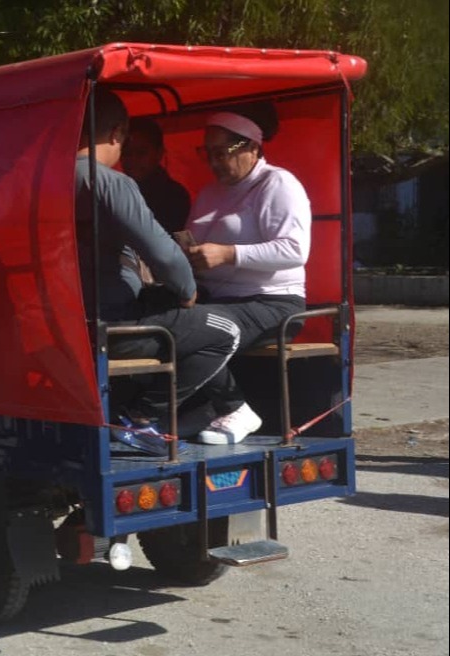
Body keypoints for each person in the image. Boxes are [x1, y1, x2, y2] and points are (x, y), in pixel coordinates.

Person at [75, 88, 243, 439]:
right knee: (226, 330)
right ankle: (142, 419)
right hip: (113, 324)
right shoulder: (110, 182)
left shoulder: (41, 180)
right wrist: (187, 290)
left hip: (65, 324)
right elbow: (164, 253)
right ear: (117, 133)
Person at [184, 104, 311, 444]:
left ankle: (235, 407)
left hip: (272, 302)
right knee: (159, 320)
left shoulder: (277, 184)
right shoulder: (209, 193)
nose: (213, 162)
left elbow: (294, 250)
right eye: (207, 153)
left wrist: (227, 254)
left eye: (221, 153)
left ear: (252, 148)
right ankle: (197, 409)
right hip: (217, 298)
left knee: (192, 328)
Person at [122, 117, 192, 234]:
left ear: (159, 153)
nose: (133, 160)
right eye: (126, 153)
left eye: (141, 153)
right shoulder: (117, 191)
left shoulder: (175, 196)